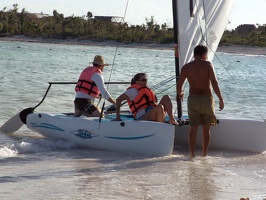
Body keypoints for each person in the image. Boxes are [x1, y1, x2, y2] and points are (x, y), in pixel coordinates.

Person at [176, 44, 224, 158]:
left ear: (194, 54)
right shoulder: (208, 65)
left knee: (193, 128)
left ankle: (192, 154)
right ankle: (204, 155)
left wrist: (180, 93)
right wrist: (221, 99)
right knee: (206, 128)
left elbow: (179, 84)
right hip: (207, 99)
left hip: (193, 99)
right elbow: (214, 82)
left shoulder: (186, 67)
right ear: (204, 54)